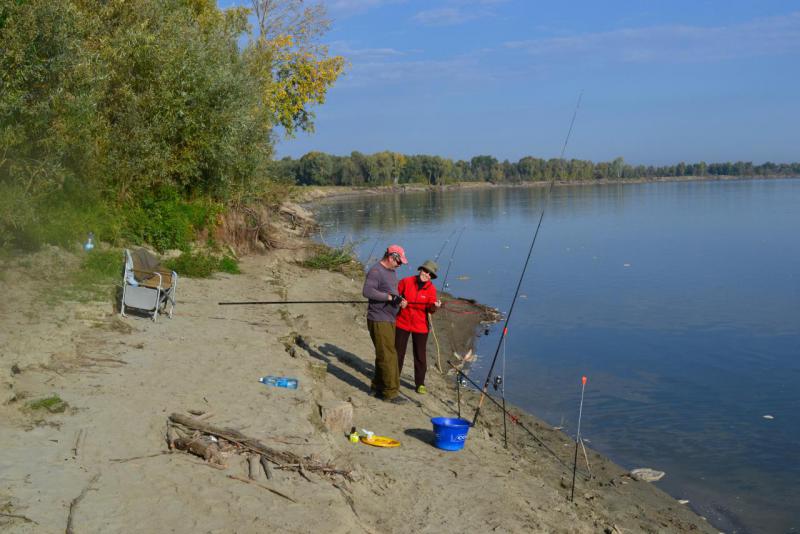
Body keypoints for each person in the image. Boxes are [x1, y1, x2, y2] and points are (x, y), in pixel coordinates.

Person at [362, 244, 408, 404]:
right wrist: (389, 298)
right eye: (399, 261)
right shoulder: (376, 271)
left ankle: (377, 387)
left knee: (384, 353)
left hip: (388, 319)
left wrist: (399, 299)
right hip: (379, 319)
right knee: (388, 355)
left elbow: (390, 292)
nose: (400, 265)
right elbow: (367, 291)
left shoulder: (391, 272)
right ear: (391, 257)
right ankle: (390, 393)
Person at [395, 260, 441, 395]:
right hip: (402, 322)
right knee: (398, 352)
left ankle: (420, 383)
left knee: (420, 356)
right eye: (425, 271)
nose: (427, 275)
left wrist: (435, 306)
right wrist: (399, 302)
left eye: (430, 274)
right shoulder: (406, 281)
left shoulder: (431, 289)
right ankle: (394, 377)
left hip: (420, 327)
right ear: (420, 269)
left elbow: (430, 310)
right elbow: (395, 296)